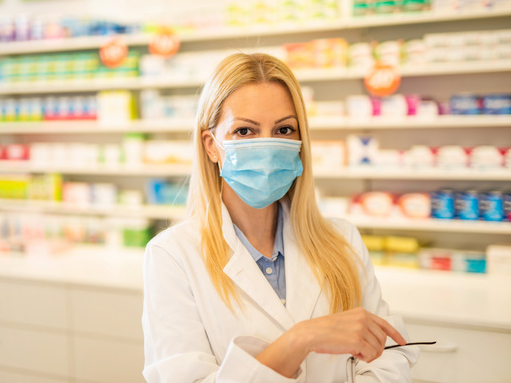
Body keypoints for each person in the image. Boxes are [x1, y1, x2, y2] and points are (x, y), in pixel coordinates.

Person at [142, 52, 419, 382]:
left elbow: (386, 355)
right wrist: (302, 338)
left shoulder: (343, 239)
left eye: (284, 129)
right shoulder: (173, 256)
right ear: (211, 146)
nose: (268, 147)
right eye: (245, 132)